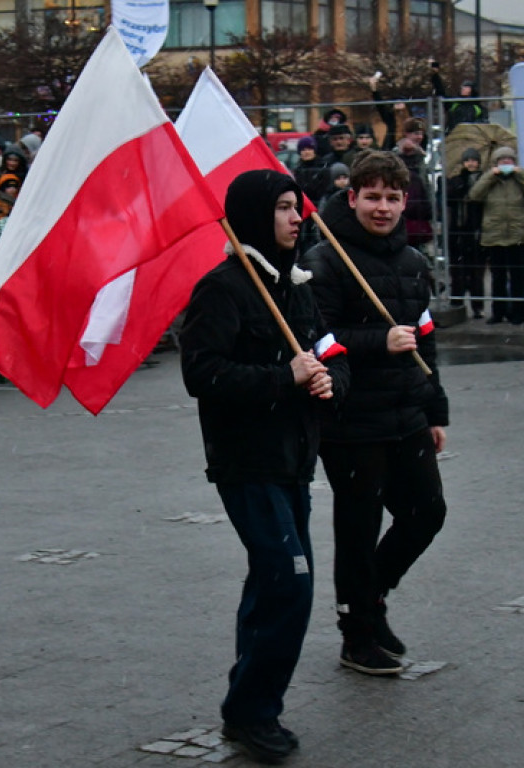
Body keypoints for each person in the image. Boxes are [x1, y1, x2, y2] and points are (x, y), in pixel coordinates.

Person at [179, 169, 349, 764]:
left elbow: (329, 350)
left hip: (294, 460)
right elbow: (202, 374)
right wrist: (286, 378)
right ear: (254, 216)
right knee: (291, 584)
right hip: (246, 463)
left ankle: (244, 707)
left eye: (297, 207)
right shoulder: (223, 288)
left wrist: (332, 379)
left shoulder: (295, 286)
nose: (297, 217)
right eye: (283, 208)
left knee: (272, 581)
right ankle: (254, 711)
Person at [301, 151, 448, 676]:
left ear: (404, 201)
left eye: (391, 198)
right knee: (358, 527)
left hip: (407, 411)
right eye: (372, 197)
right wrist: (376, 342)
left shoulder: (410, 261)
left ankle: (373, 596)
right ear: (353, 197)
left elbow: (424, 340)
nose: (382, 208)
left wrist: (436, 411)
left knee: (427, 513)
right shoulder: (325, 259)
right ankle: (356, 633)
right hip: (350, 418)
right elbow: (320, 338)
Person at [468, 146, 524, 324]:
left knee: (518, 276)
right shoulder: (489, 179)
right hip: (495, 236)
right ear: (495, 163)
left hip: (518, 235)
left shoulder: (520, 178)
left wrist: (521, 173)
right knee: (498, 277)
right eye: (502, 160)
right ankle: (497, 312)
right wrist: (489, 176)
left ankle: (518, 313)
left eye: (509, 160)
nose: (506, 163)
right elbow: (474, 194)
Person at [446, 147, 485, 317]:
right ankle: (457, 304)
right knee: (457, 272)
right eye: (468, 160)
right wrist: (462, 184)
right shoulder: (456, 180)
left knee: (477, 273)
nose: (471, 163)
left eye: (474, 160)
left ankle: (478, 307)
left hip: (476, 230)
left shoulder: (485, 180)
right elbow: (449, 199)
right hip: (457, 231)